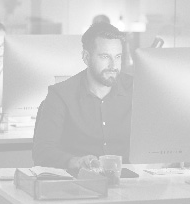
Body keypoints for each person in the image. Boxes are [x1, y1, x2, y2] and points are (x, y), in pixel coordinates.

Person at [32, 22, 133, 171]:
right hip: (79, 184)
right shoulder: (61, 95)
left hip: (131, 181)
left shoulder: (136, 90)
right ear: (86, 57)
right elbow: (43, 151)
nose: (113, 65)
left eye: (117, 57)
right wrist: (75, 162)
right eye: (105, 56)